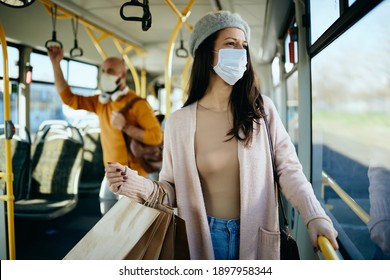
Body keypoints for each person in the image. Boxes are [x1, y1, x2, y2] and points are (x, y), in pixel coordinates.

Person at [104, 11, 338, 260]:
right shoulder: (178, 123)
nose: (240, 52)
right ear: (208, 53)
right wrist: (134, 183)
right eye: (230, 44)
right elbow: (171, 189)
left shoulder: (262, 110)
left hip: (257, 233)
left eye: (243, 45)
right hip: (202, 236)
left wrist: (315, 216)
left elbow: (289, 170)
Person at [47, 47, 163, 214]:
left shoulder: (138, 104)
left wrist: (125, 126)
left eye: (110, 71)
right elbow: (69, 99)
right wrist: (55, 63)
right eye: (102, 70)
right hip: (110, 174)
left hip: (135, 175)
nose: (105, 74)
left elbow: (156, 137)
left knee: (132, 226)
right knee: (107, 219)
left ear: (122, 75)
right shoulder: (102, 102)